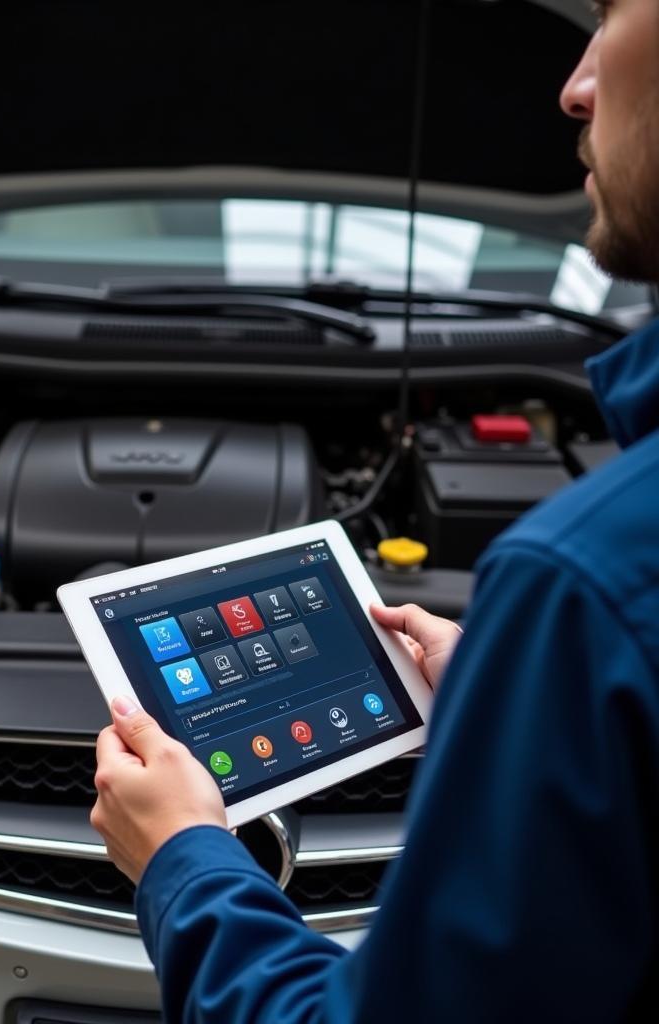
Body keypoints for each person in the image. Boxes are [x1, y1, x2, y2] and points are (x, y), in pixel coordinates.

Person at [91, 1, 659, 1019]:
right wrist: (527, 710)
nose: (574, 85)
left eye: (615, 17)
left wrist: (184, 859)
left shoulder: (586, 582)